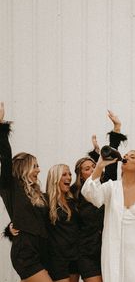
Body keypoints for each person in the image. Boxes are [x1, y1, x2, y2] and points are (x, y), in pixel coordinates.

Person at [81, 148, 135, 282]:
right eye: (125, 156)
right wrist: (100, 166)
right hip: (114, 253)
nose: (126, 157)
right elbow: (90, 194)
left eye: (132, 157)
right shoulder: (112, 187)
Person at [70, 110, 127, 282]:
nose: (92, 169)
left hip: (107, 248)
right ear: (80, 175)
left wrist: (116, 129)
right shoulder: (74, 193)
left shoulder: (107, 186)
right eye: (86, 168)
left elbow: (111, 162)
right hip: (86, 251)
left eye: (93, 166)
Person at [0, 102, 53, 282]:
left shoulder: (40, 194)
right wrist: (1, 128)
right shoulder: (11, 187)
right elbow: (6, 157)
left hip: (42, 251)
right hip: (25, 253)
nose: (39, 170)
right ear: (24, 168)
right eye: (35, 166)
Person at [46, 164, 80, 282]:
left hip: (74, 256)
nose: (69, 178)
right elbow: (30, 218)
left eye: (70, 174)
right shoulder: (46, 201)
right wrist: (10, 227)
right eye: (64, 174)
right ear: (55, 178)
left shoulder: (73, 200)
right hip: (57, 257)